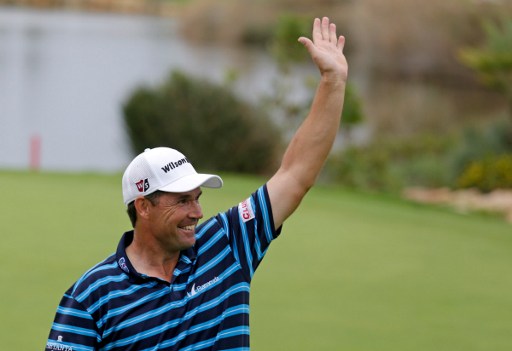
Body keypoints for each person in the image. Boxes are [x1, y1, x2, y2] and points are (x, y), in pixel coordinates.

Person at [45, 16, 348, 351]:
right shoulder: (91, 296)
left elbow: (296, 174)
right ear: (143, 206)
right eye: (182, 200)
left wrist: (332, 82)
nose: (197, 211)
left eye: (196, 197)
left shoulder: (227, 243)